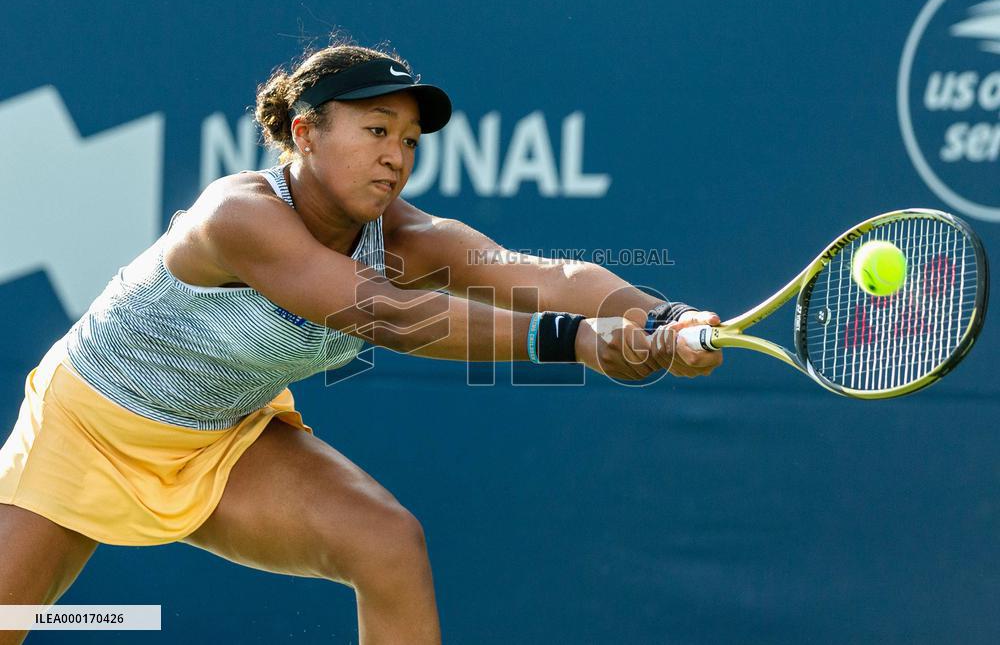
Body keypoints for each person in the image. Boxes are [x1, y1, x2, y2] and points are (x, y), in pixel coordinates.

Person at [0, 42, 722, 645]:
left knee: (387, 543)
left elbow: (544, 276)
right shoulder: (237, 216)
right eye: (376, 130)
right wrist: (578, 342)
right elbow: (388, 317)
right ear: (305, 131)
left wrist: (667, 319)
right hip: (84, 429)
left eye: (408, 140)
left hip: (220, 440)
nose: (397, 156)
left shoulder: (406, 236)